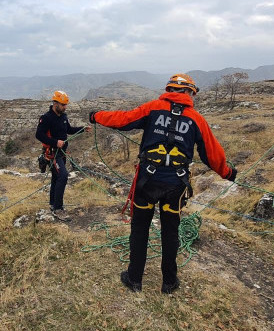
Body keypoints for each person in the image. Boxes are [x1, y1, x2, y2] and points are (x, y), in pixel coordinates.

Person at [89, 74, 237, 293]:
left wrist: (96, 116)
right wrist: (228, 173)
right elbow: (211, 153)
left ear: (169, 90)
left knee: (140, 229)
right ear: (189, 93)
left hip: (147, 182)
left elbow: (123, 119)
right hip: (175, 186)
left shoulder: (152, 108)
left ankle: (134, 278)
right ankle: (169, 282)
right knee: (170, 232)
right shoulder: (196, 119)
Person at [36, 90, 91, 221]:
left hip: (61, 153)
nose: (65, 107)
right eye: (63, 104)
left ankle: (52, 204)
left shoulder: (63, 117)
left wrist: (82, 129)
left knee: (56, 178)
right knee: (63, 176)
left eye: (66, 105)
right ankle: (58, 209)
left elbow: (69, 130)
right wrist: (55, 142)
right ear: (55, 103)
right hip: (52, 154)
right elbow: (39, 135)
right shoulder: (46, 118)